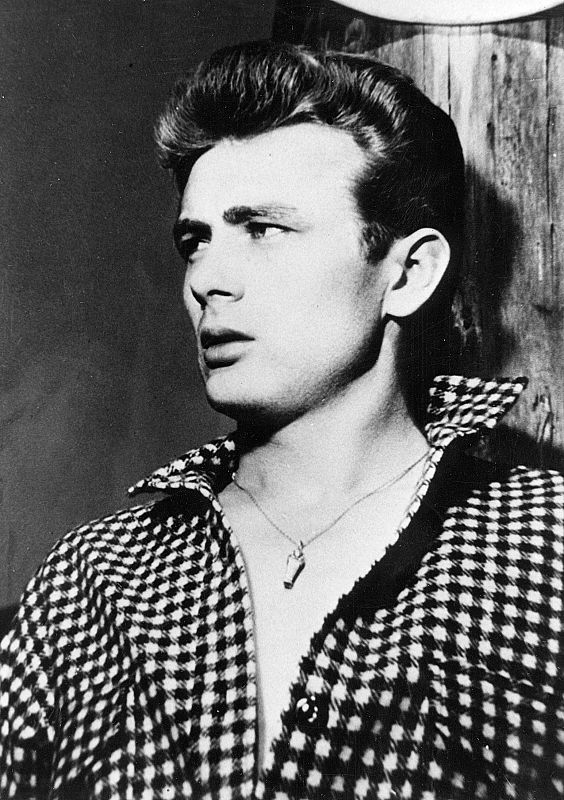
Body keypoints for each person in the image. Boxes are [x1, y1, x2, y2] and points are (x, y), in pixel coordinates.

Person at [1, 40, 562, 800]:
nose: (207, 279)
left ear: (407, 273)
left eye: (263, 229)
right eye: (195, 241)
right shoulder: (92, 578)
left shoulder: (545, 547)